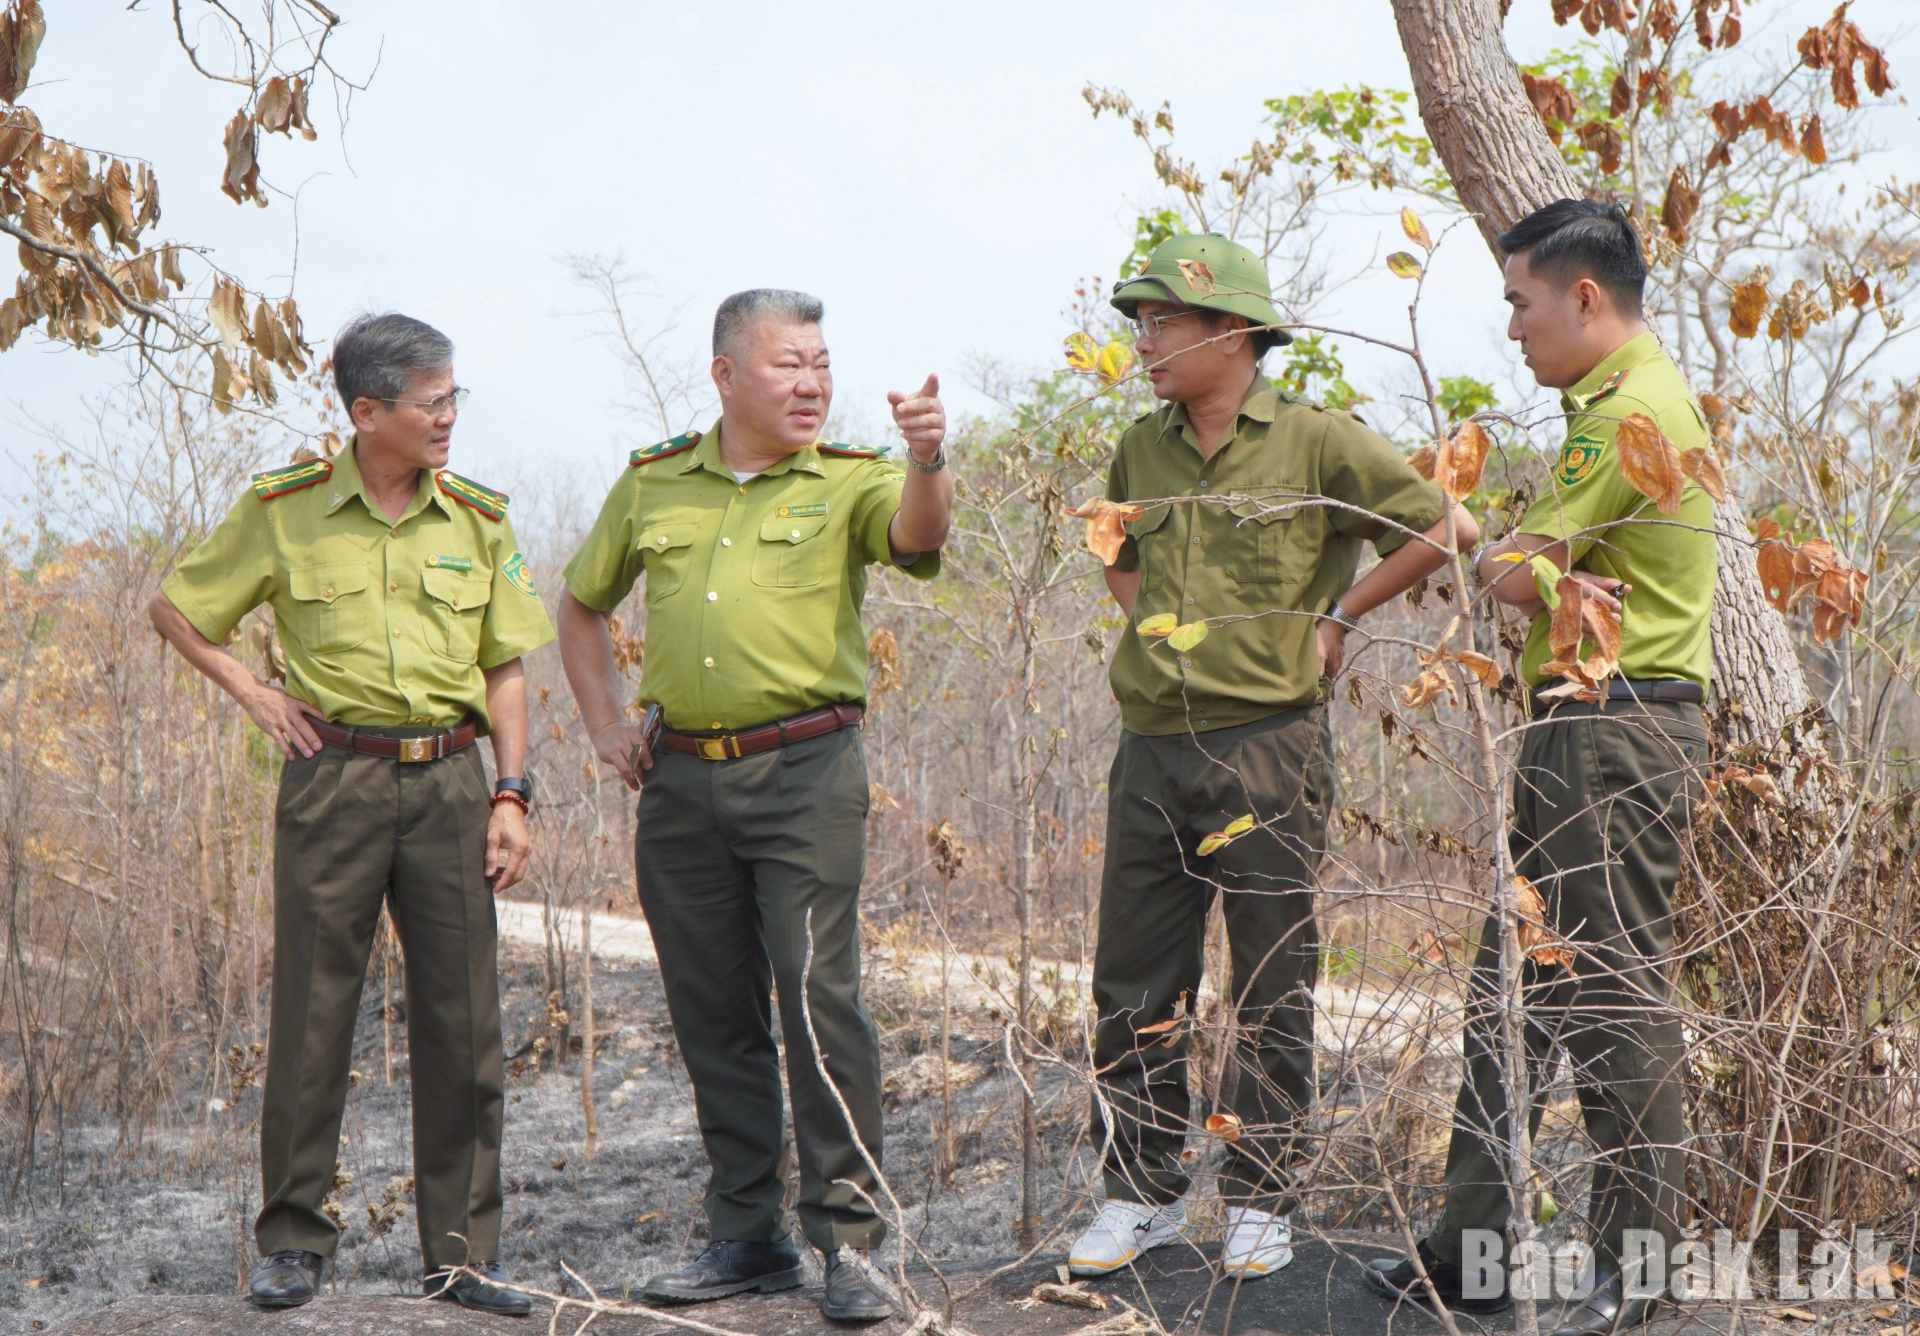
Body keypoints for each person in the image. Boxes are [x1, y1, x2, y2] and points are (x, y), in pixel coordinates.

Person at [1069, 235, 1478, 1280]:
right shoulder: (1141, 448)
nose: (1144, 341)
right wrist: (1153, 627)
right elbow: (1116, 549)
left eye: (1162, 321)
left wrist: (1340, 613)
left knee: (1271, 974)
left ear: (1232, 332)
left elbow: (1447, 525)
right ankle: (1141, 1193)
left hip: (1268, 746)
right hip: (1152, 745)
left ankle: (1261, 1195)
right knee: (1133, 978)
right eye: (1139, 322)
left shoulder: (1316, 440)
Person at [557, 288, 952, 1324]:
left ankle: (849, 1244)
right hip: (680, 783)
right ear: (726, 375)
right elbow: (582, 605)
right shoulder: (654, 482)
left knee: (820, 1002)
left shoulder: (852, 477)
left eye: (821, 363)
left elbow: (916, 534)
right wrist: (605, 725)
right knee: (714, 1013)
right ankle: (747, 1236)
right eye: (789, 364)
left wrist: (926, 457)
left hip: (805, 775)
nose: (812, 382)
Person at [149, 313, 553, 1315]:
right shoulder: (284, 511)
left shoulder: (477, 519)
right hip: (334, 780)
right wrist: (252, 690)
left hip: (452, 782)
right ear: (367, 413)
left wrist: (511, 792)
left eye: (454, 397)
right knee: (315, 1013)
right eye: (431, 402)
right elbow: (177, 609)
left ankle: (462, 1256)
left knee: (465, 1021)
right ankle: (292, 1241)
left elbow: (504, 666)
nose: (449, 417)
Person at [1365, 200, 1714, 1335]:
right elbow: (1529, 567)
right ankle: (1475, 1253)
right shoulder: (1613, 407)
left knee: (1609, 991)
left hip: (1617, 729)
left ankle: (1644, 1270)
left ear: (1585, 298)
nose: (1512, 326)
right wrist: (1529, 563)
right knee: (1511, 992)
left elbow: (1514, 575)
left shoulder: (1631, 413)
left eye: (1521, 303)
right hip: (1582, 725)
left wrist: (1507, 555)